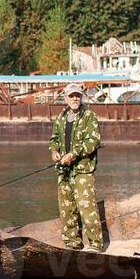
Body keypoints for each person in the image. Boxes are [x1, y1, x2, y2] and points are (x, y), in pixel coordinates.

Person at [50, 83, 104, 251]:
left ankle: (95, 244)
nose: (75, 99)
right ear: (65, 98)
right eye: (72, 96)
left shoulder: (89, 116)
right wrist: (54, 151)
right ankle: (72, 243)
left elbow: (93, 141)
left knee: (87, 207)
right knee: (66, 208)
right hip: (64, 170)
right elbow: (54, 139)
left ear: (81, 97)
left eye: (78, 96)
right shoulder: (60, 118)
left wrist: (73, 154)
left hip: (82, 170)